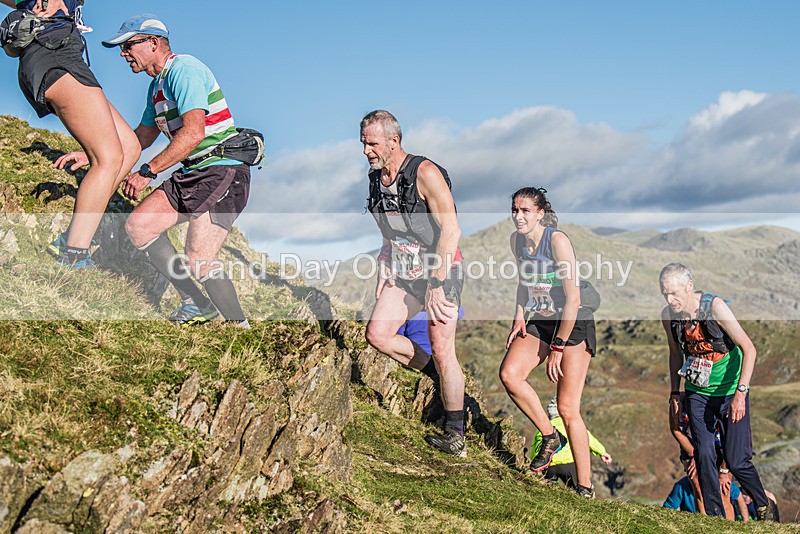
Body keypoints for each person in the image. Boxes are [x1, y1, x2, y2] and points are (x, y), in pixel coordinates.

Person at [58, 14, 251, 326]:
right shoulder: (156, 88)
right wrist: (92, 153)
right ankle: (196, 303)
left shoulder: (184, 70)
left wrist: (146, 172)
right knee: (140, 226)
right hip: (192, 171)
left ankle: (238, 327)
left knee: (199, 259)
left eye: (128, 45)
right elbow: (141, 137)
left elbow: (193, 134)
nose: (123, 53)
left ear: (153, 42)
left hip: (221, 168)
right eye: (120, 48)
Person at [1, 0, 140, 268]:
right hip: (53, 54)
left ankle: (74, 236)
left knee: (129, 146)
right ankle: (74, 254)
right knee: (108, 158)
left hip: (67, 56)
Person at [361, 110, 467, 457]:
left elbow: (451, 230)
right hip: (403, 273)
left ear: (394, 141)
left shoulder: (425, 173)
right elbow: (388, 233)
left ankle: (455, 432)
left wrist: (436, 282)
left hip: (440, 271)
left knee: (442, 347)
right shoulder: (376, 178)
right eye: (363, 144)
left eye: (372, 144)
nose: (366, 151)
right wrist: (383, 269)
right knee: (377, 335)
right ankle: (438, 380)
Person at [499, 187, 600, 498]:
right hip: (541, 318)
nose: (519, 216)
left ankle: (585, 487)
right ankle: (548, 434)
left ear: (540, 213)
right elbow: (522, 282)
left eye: (526, 210)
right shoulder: (517, 241)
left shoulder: (556, 240)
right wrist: (519, 316)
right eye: (515, 210)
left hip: (572, 320)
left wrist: (558, 347)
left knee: (569, 407)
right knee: (510, 375)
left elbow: (573, 299)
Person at [660, 263, 775, 520]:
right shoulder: (669, 315)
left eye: (675, 293)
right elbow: (675, 354)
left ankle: (762, 504)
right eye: (665, 293)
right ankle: (714, 516)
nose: (670, 299)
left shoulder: (715, 308)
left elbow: (749, 348)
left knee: (736, 460)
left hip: (730, 390)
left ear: (689, 287)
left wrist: (741, 394)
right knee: (704, 454)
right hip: (697, 391)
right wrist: (675, 395)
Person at [529, 398, 612, 490]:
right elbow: (587, 438)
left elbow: (536, 446)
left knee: (548, 490)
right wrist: (602, 452)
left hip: (548, 465)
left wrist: (535, 463)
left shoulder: (543, 428)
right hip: (568, 463)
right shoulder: (571, 425)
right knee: (580, 489)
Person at [663, 474, 748, 520]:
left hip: (722, 521)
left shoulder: (719, 481)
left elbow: (738, 496)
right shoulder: (681, 486)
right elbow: (668, 509)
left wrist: (746, 522)